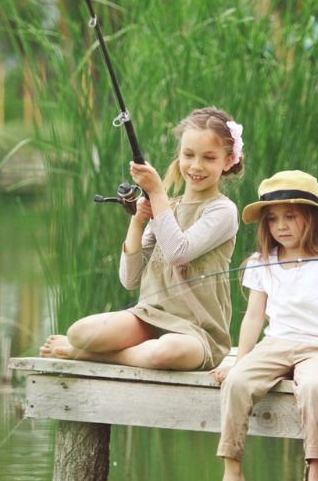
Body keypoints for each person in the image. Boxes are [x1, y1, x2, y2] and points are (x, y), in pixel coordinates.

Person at [40, 107, 245, 371]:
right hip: (149, 318)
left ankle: (91, 356)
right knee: (80, 333)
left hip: (197, 333)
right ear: (179, 155)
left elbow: (177, 252)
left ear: (227, 161)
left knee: (167, 351)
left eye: (209, 157)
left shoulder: (223, 211)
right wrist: (137, 222)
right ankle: (112, 349)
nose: (196, 166)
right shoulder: (166, 207)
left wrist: (157, 191)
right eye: (188, 155)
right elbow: (130, 280)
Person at [209, 170, 318, 481]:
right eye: (273, 219)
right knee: (237, 382)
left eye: (290, 216)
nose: (281, 225)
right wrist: (239, 359)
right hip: (276, 344)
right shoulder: (262, 263)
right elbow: (253, 317)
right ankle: (232, 468)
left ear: (311, 218)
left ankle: (316, 475)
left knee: (310, 387)